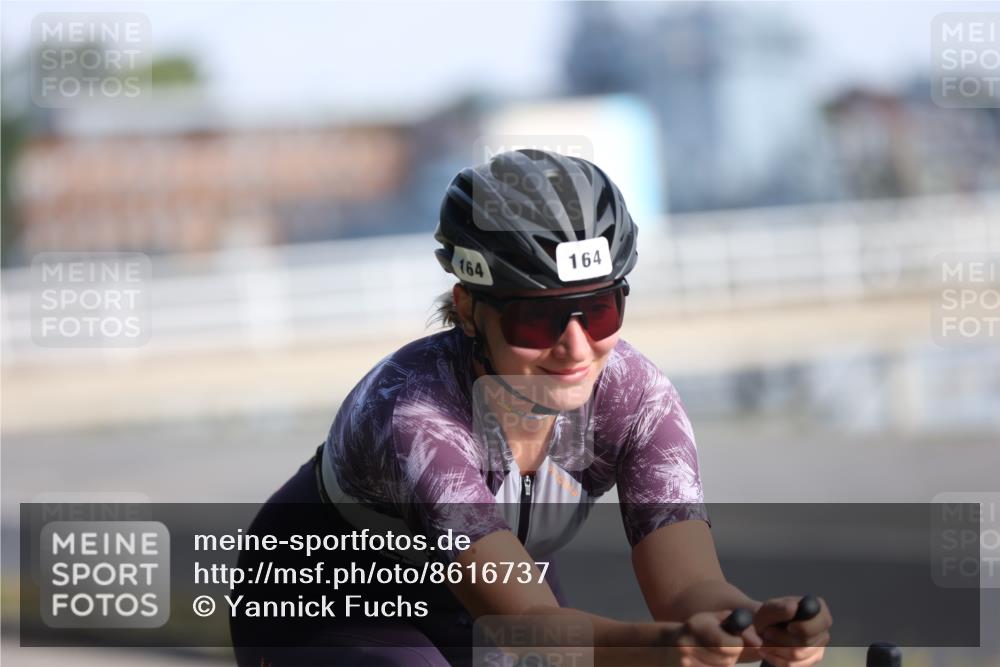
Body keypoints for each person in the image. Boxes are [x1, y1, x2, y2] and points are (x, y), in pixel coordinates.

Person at [230, 149, 832, 667]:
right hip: (333, 600)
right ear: (469, 310)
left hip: (507, 589)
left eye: (600, 311)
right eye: (538, 319)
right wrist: (666, 648)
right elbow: (527, 626)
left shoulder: (638, 397)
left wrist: (752, 625)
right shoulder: (414, 415)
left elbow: (688, 586)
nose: (576, 347)